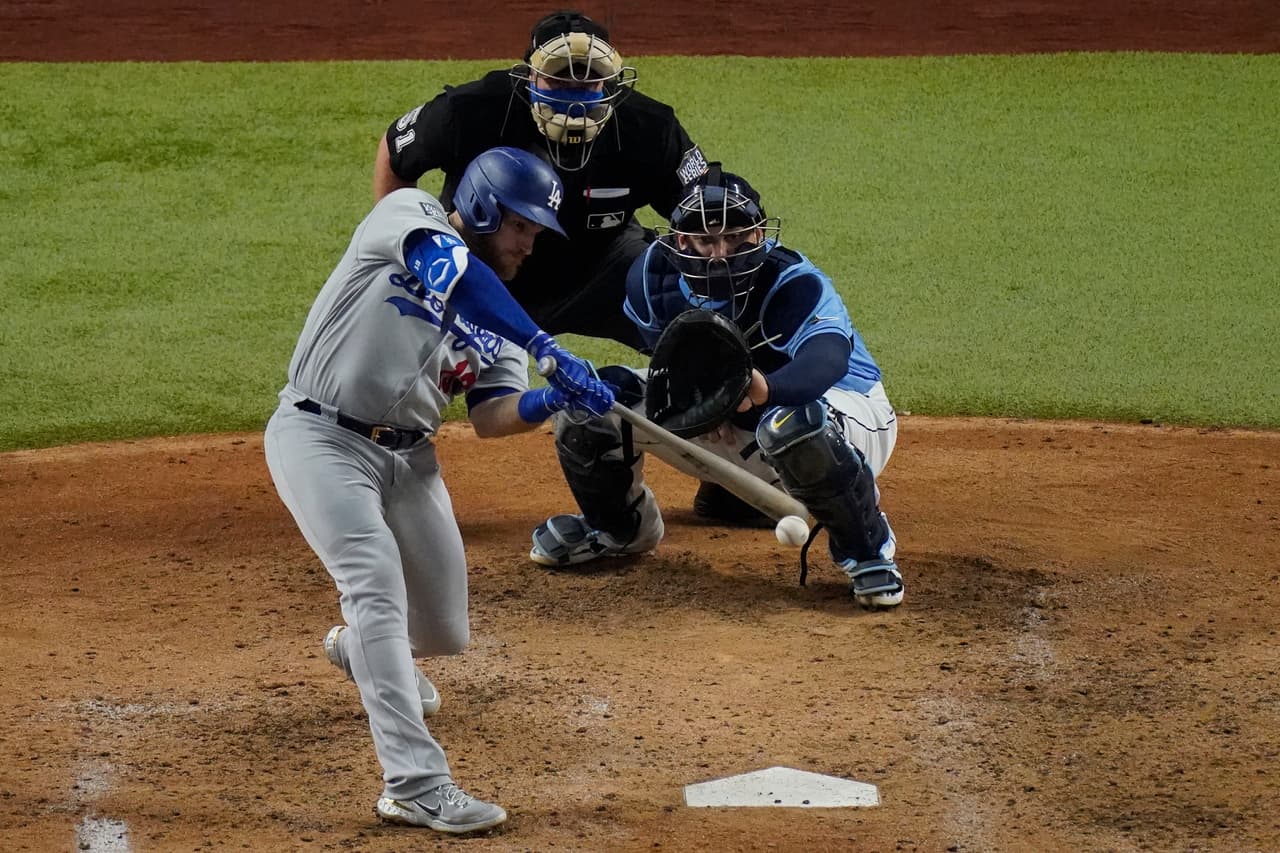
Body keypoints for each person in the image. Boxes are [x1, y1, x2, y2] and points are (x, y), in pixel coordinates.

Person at [263, 146, 615, 835]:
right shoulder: (408, 215)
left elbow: (490, 416)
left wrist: (555, 399)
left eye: (536, 233)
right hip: (321, 438)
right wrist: (547, 343)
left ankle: (360, 649)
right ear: (483, 206)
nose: (528, 244)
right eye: (521, 227)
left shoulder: (505, 314)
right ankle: (416, 785)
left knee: (442, 631)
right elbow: (451, 275)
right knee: (374, 585)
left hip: (410, 460)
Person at [526, 164, 905, 609]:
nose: (720, 253)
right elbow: (675, 360)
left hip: (846, 417)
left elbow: (826, 360)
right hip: (738, 434)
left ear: (759, 234)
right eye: (706, 240)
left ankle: (867, 550)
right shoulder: (653, 281)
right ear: (681, 241)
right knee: (595, 398)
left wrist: (757, 392)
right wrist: (703, 399)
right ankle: (618, 529)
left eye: (734, 236)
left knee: (791, 423)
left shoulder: (793, 283)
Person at [372, 9, 708, 351]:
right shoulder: (475, 108)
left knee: (666, 290)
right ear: (530, 76)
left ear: (609, 81)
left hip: (599, 266)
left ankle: (718, 391)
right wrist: (410, 243)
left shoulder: (647, 125)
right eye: (559, 80)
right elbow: (395, 152)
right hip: (483, 264)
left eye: (589, 82)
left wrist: (719, 249)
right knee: (397, 325)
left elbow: (698, 204)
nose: (574, 97)